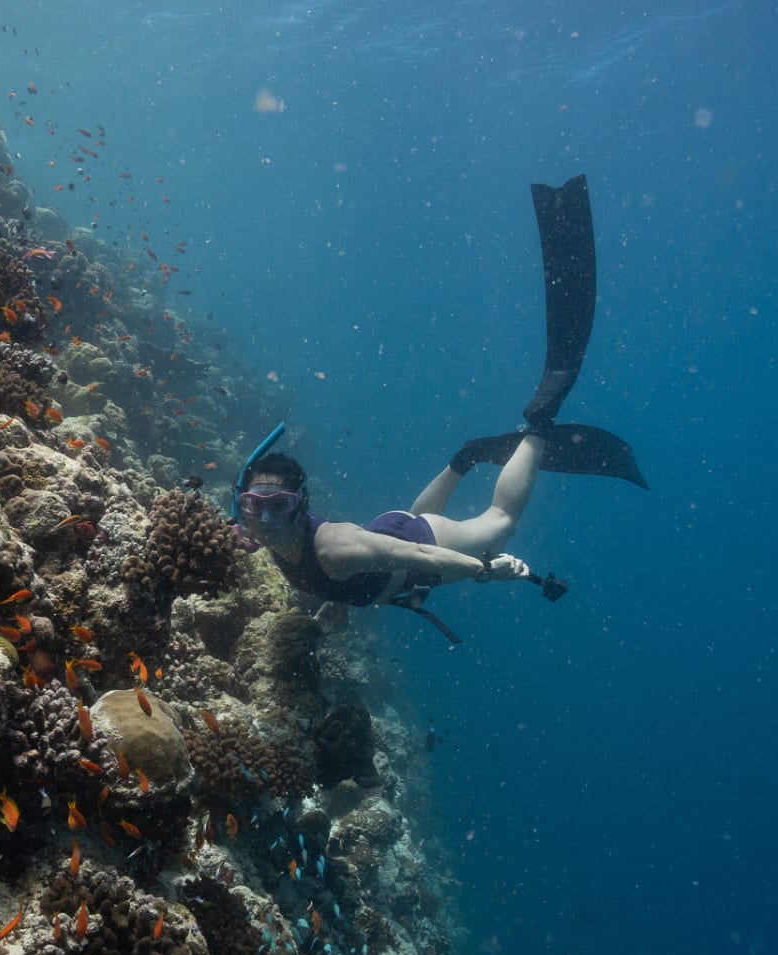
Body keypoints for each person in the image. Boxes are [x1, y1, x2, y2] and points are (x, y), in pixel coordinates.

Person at [232, 175, 648, 638]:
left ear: (300, 505)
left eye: (278, 505)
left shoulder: (335, 551)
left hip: (418, 544)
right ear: (242, 504)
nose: (264, 517)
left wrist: (486, 570)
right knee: (406, 530)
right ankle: (466, 457)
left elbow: (423, 557)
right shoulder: (256, 532)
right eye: (254, 504)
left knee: (501, 523)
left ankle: (539, 423)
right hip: (392, 531)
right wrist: (337, 599)